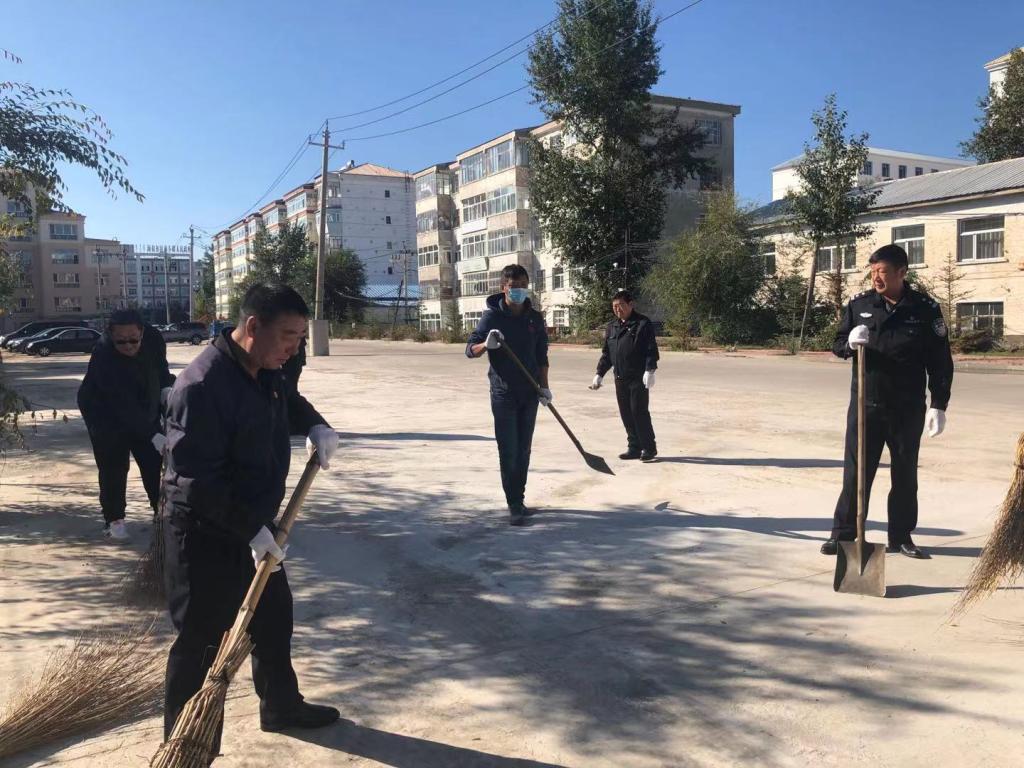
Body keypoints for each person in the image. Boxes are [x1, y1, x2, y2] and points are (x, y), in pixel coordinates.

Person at [162, 283, 340, 743]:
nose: (294, 348)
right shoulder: (202, 386)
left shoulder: (265, 367)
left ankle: (281, 707)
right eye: (288, 336)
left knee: (274, 619)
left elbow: (288, 399)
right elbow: (194, 481)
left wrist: (314, 424)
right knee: (201, 642)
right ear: (254, 326)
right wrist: (251, 531)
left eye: (301, 337)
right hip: (205, 534)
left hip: (255, 525)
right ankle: (185, 744)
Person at [821, 244, 953, 559]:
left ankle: (901, 536)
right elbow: (838, 344)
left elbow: (940, 360)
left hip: (907, 408)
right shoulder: (860, 304)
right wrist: (850, 344)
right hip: (867, 405)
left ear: (901, 272)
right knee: (856, 473)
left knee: (905, 474)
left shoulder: (925, 309)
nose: (876, 278)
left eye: (882, 272)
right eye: (873, 272)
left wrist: (939, 404)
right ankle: (843, 535)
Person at [77, 309, 174, 540]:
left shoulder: (154, 339)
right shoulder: (103, 354)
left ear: (142, 332)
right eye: (121, 341)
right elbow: (121, 403)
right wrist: (152, 434)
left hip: (142, 402)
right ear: (111, 335)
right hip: (104, 413)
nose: (128, 345)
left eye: (133, 340)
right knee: (113, 465)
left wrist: (166, 392)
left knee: (154, 462)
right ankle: (114, 520)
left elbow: (161, 370)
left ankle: (161, 513)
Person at [466, 264, 551, 526]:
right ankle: (513, 503)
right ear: (504, 287)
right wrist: (485, 344)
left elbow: (542, 355)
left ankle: (519, 499)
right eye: (513, 287)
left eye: (523, 286)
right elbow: (470, 350)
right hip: (503, 394)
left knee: (524, 450)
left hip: (530, 392)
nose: (518, 291)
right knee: (509, 450)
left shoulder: (534, 318)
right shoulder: (492, 317)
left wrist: (545, 387)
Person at [590, 290, 659, 462]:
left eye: (621, 305)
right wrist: (599, 373)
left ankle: (649, 448)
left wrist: (650, 370)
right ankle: (634, 447)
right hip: (620, 377)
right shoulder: (612, 326)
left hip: (638, 377)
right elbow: (607, 354)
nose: (617, 309)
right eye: (614, 306)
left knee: (638, 412)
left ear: (630, 304)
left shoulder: (642, 323)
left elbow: (651, 349)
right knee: (626, 413)